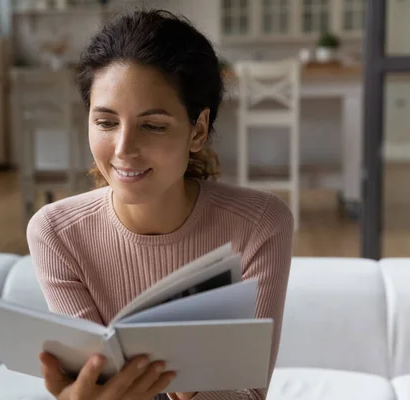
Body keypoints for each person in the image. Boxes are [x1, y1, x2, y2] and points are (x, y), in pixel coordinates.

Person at [27, 8, 294, 400]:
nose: (123, 149)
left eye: (152, 125)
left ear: (198, 130)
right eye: (105, 122)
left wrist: (190, 391)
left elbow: (249, 394)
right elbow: (97, 383)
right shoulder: (56, 232)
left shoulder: (259, 226)